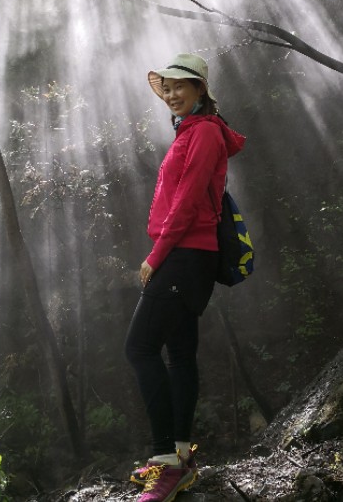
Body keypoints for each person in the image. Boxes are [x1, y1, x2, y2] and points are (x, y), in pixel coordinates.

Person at [125, 52, 246, 502]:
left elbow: (190, 201)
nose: (173, 94)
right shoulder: (191, 132)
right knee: (179, 354)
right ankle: (179, 455)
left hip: (184, 255)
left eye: (182, 86)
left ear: (201, 90)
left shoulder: (207, 134)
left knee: (138, 348)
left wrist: (156, 256)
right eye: (167, 87)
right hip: (188, 255)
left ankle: (166, 461)